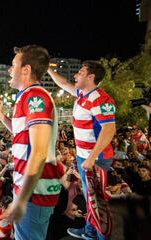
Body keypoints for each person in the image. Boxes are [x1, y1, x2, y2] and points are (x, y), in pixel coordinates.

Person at [0, 45, 63, 240]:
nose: (9, 69)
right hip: (28, 189)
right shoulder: (26, 96)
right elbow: (21, 133)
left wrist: (21, 201)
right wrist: (1, 116)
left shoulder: (35, 97)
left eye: (13, 64)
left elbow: (39, 151)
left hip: (33, 192)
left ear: (26, 69)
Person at [48, 60, 116, 239]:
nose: (75, 75)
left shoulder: (101, 99)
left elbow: (109, 129)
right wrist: (47, 68)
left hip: (96, 159)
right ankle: (90, 231)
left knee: (97, 201)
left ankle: (102, 236)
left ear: (91, 77)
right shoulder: (82, 95)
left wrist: (92, 158)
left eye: (80, 72)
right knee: (89, 198)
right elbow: (63, 83)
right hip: (84, 157)